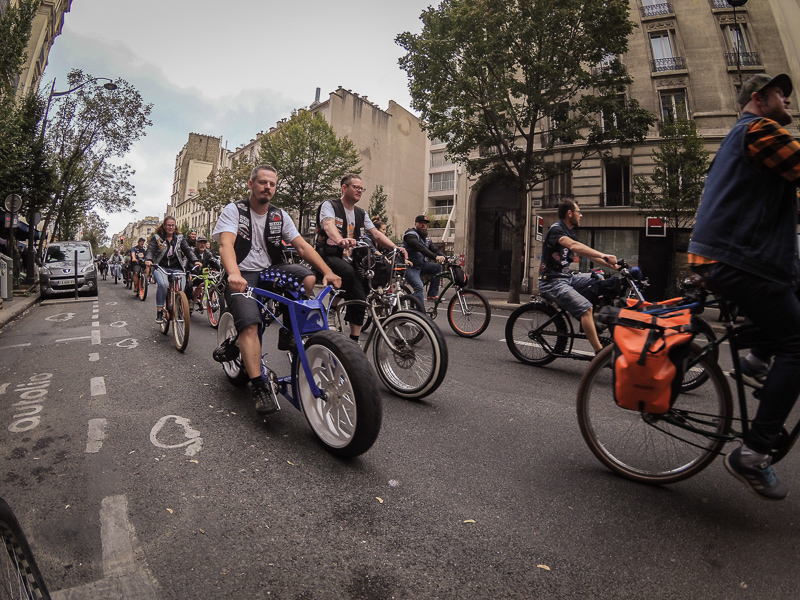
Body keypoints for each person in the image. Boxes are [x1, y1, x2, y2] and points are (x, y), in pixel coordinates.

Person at [688, 73, 800, 501]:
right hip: (736, 257)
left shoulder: (737, 141)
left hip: (731, 255)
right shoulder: (761, 130)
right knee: (797, 343)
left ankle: (756, 358)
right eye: (779, 94)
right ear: (759, 98)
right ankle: (752, 454)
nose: (787, 100)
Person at [213, 164, 341, 416]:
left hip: (271, 270)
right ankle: (258, 385)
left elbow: (302, 247)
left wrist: (327, 271)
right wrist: (234, 274)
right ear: (251, 185)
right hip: (242, 274)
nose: (268, 187)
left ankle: (289, 332)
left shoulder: (279, 215)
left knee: (306, 279)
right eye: (262, 182)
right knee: (250, 325)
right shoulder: (234, 211)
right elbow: (225, 244)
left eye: (272, 184)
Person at [316, 174, 407, 343]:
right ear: (344, 188)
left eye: (361, 188)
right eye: (356, 187)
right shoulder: (329, 206)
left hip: (351, 259)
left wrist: (395, 247)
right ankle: (332, 309)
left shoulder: (361, 213)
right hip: (328, 255)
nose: (359, 191)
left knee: (359, 298)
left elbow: (376, 234)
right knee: (347, 273)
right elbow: (328, 225)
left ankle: (354, 342)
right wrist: (340, 240)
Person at [537, 197, 618, 353]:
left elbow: (590, 255)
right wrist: (604, 254)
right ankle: (599, 353)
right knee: (586, 309)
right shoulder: (556, 230)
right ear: (569, 213)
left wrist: (615, 266)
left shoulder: (568, 232)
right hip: (552, 282)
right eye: (579, 212)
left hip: (567, 279)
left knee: (602, 279)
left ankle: (597, 322)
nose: (581, 215)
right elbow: (574, 246)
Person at [145, 216, 201, 323]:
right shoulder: (157, 238)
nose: (171, 227)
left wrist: (195, 261)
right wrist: (148, 259)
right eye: (168, 225)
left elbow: (188, 251)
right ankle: (160, 311)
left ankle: (178, 305)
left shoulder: (180, 238)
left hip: (176, 267)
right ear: (164, 226)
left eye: (173, 225)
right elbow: (151, 250)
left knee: (181, 286)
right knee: (163, 284)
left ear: (175, 226)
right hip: (160, 267)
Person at [403, 215, 446, 306]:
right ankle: (421, 313)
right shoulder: (410, 235)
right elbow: (420, 247)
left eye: (425, 224)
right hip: (410, 267)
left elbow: (434, 249)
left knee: (437, 268)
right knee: (419, 287)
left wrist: (445, 257)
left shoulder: (426, 237)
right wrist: (435, 257)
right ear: (415, 224)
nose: (423, 225)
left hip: (422, 265)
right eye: (421, 223)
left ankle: (432, 294)